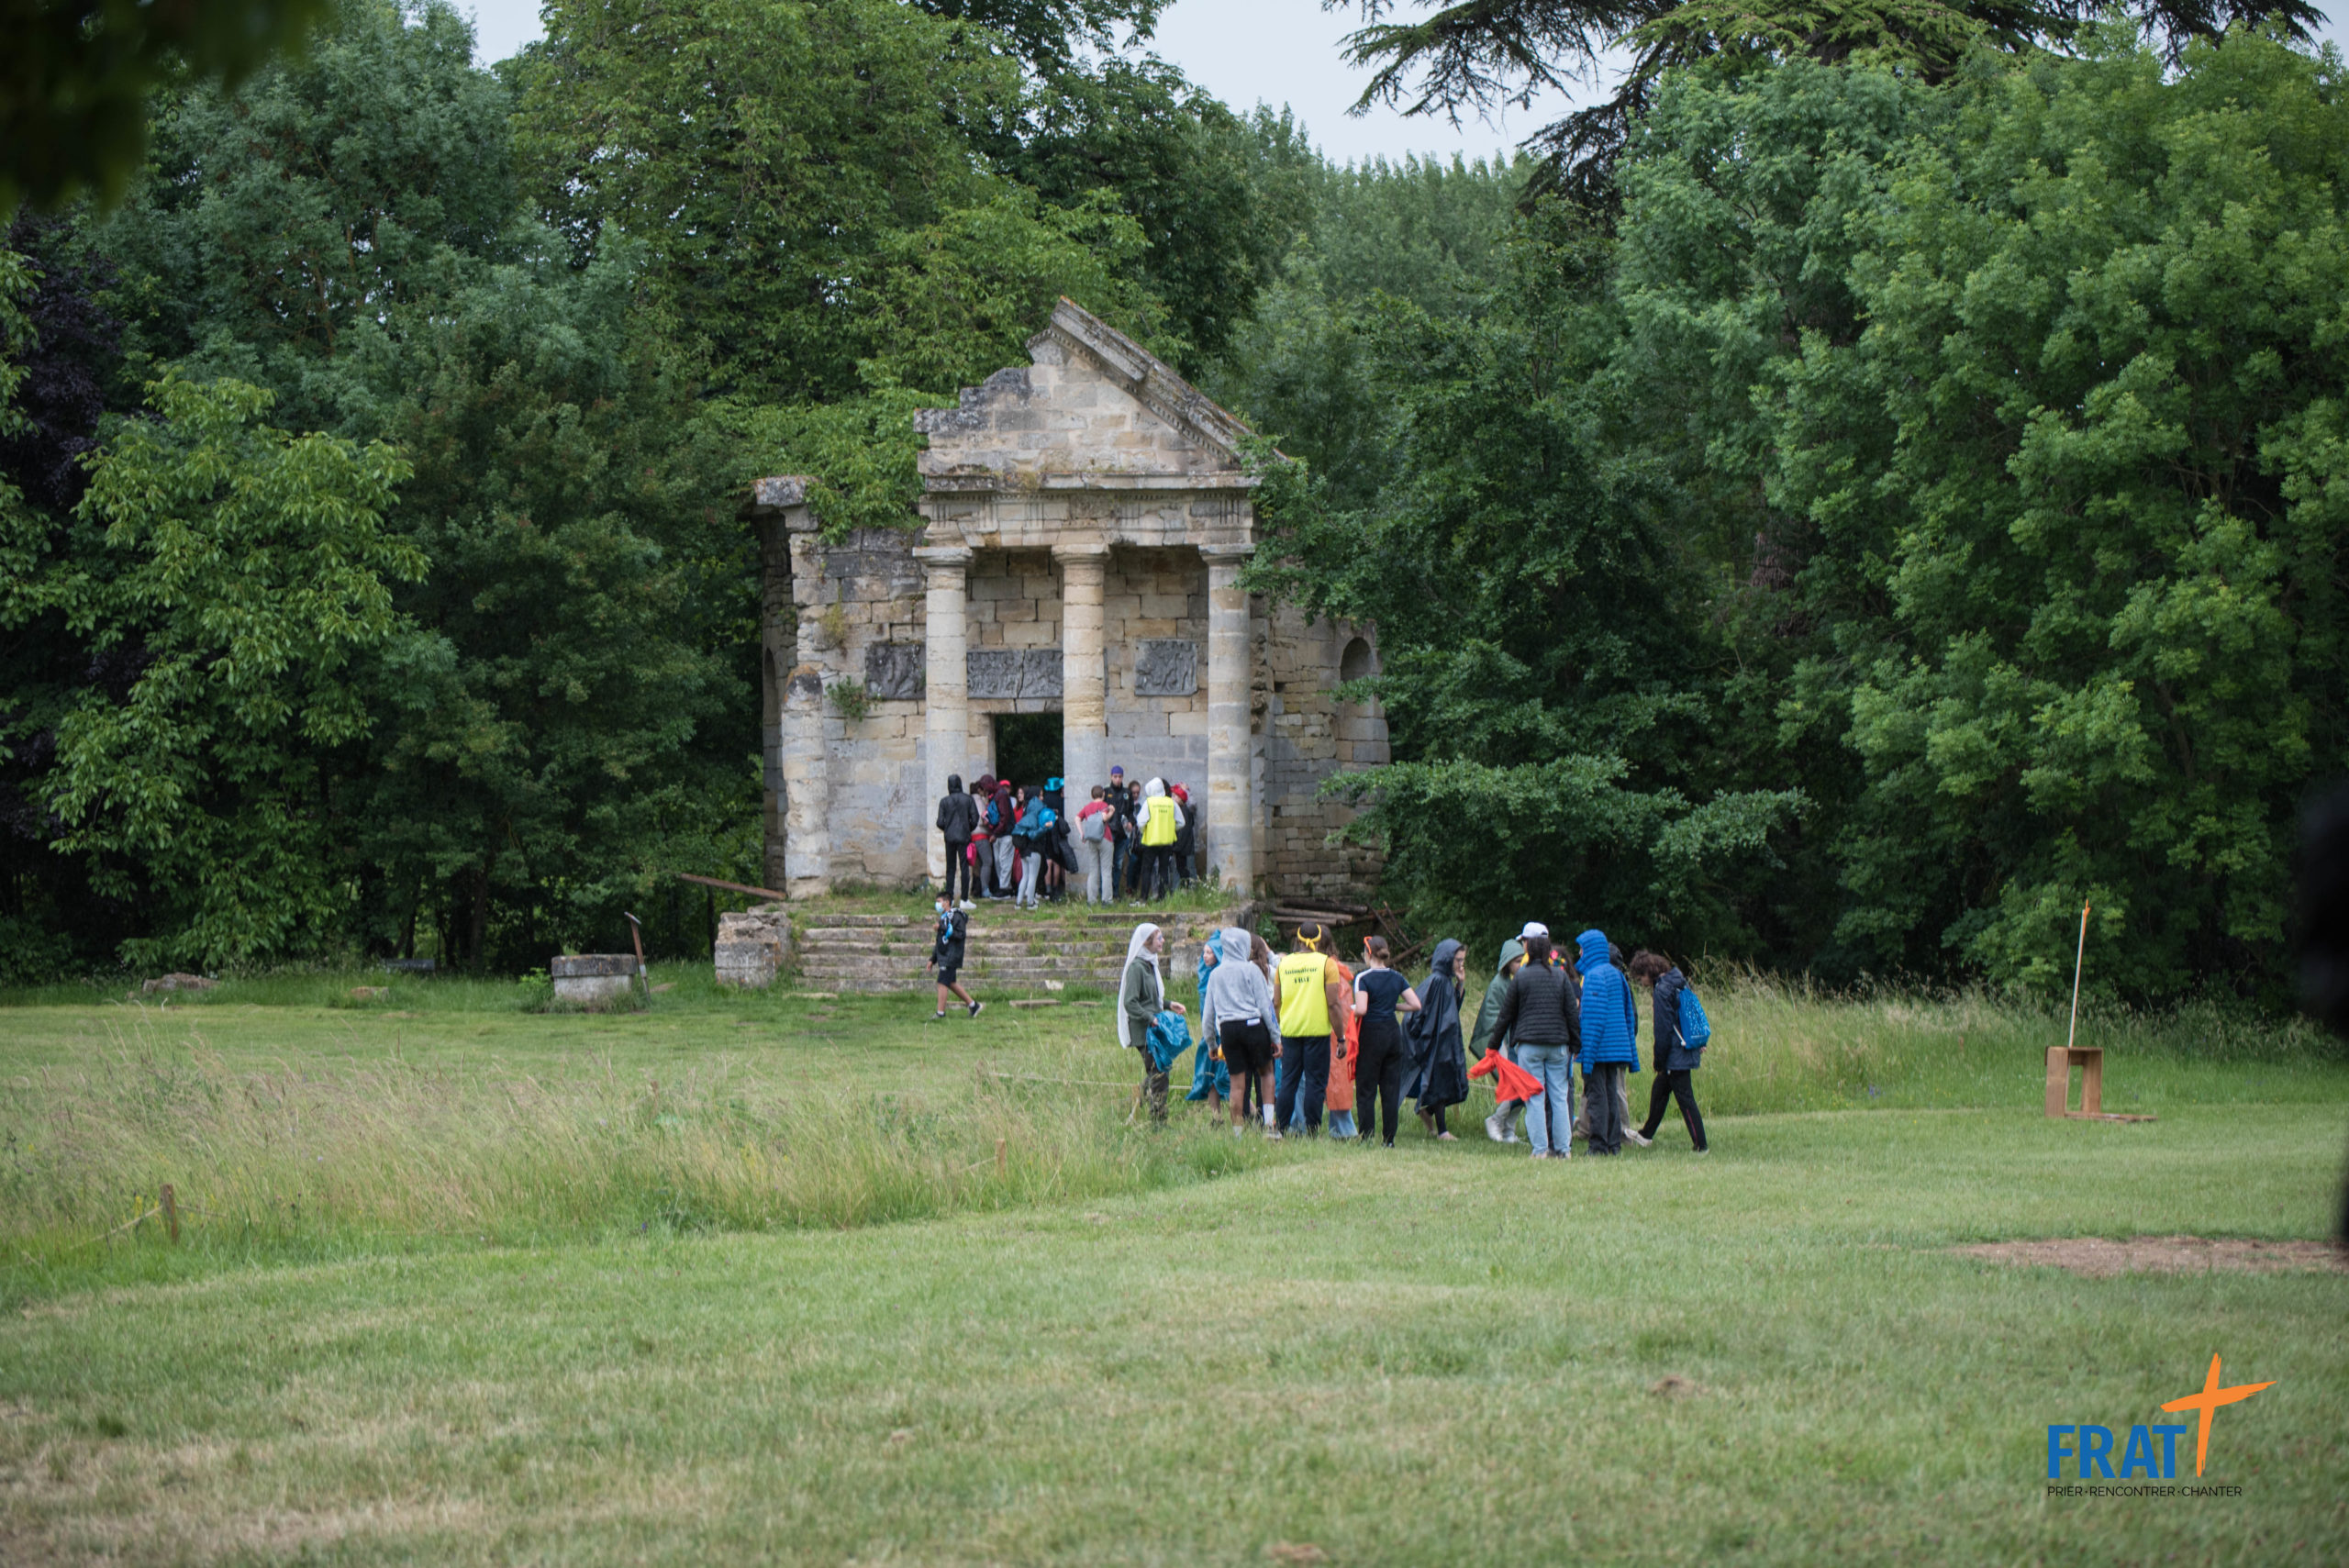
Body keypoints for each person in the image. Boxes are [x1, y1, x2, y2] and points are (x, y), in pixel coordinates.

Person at [1489, 926, 1579, 1158]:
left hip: (1529, 1045)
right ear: (1549, 952)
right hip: (1558, 1045)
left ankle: (1540, 1150)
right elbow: (1571, 1013)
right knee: (1559, 1097)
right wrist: (1576, 1044)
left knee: (1535, 1099)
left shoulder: (1521, 976)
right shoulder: (1560, 976)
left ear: (1528, 951)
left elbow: (1506, 1015)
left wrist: (1493, 1045)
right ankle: (1564, 1149)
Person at [1273, 922, 1349, 1137]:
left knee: (1288, 1082)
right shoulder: (1326, 964)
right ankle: (1312, 1131)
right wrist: (1341, 1037)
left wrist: (1281, 1026)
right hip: (1317, 1032)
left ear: (1298, 940)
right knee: (1315, 1083)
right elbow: (1333, 1004)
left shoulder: (1284, 964)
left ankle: (1281, 1128)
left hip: (1290, 1031)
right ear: (1318, 940)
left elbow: (1276, 1002)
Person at [1202, 926, 1280, 1136]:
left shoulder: (1216, 974)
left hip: (1228, 1029)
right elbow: (1266, 1006)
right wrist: (1276, 1036)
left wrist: (1211, 1042)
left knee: (1237, 1084)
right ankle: (1268, 1125)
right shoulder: (1251, 970)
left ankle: (1237, 1134)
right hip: (1254, 1025)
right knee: (1266, 1073)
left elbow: (1208, 1014)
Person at [1631, 951, 1709, 1152]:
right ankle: (1646, 1135)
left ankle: (1701, 1145)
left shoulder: (1662, 990)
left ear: (1648, 972)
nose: (1642, 983)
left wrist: (1659, 1059)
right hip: (1687, 1045)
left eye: (1640, 978)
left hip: (1676, 1053)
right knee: (1660, 1090)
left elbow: (1663, 1030)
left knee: (1685, 1099)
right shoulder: (1679, 981)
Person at [1349, 934, 1420, 1147]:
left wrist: (1348, 1009)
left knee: (1366, 1088)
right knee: (1390, 1090)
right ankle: (1389, 1140)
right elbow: (1416, 1004)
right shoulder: (1397, 977)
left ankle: (1367, 1137)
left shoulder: (1363, 978)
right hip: (1392, 1034)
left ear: (1368, 954)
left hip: (1371, 1035)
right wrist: (1393, 1006)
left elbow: (1362, 1009)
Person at [1575, 928, 1641, 1155]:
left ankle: (1598, 1145)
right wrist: (1630, 1050)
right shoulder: (1617, 975)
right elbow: (1628, 1014)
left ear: (1591, 949)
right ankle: (1613, 1144)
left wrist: (1586, 1053)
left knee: (1597, 1097)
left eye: (1582, 949)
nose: (1580, 953)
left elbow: (1593, 1018)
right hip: (1617, 1048)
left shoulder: (1593, 976)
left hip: (1599, 1048)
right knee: (1611, 1095)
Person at [1404, 940, 1470, 1139]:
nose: (1461, 965)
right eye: (1458, 960)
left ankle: (1429, 1113)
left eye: (1463, 960)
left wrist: (1460, 983)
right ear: (1447, 958)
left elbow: (1451, 1010)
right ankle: (1442, 1131)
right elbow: (1418, 1012)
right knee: (1440, 1082)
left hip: (1446, 1041)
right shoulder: (1437, 982)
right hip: (1436, 1043)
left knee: (1451, 1081)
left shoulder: (1445, 981)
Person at [1118, 922, 1183, 1124]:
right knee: (1159, 1072)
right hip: (1143, 1030)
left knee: (1160, 1069)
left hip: (1154, 1027)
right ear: (1147, 942)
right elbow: (1131, 1002)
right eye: (1159, 937)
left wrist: (1169, 1005)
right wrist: (1150, 1017)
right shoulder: (1136, 968)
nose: (1163, 941)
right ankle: (1157, 1120)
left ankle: (1136, 1100)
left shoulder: (1150, 965)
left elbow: (1151, 999)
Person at [1472, 936, 1527, 1143]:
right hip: (1499, 1040)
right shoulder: (1499, 984)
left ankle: (1508, 1130)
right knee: (1515, 1084)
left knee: (1523, 1086)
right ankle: (1495, 1120)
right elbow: (1494, 1017)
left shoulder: (1516, 980)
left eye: (1522, 960)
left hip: (1514, 1039)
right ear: (1507, 963)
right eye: (1516, 961)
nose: (1520, 964)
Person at [1188, 929, 1233, 1112]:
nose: (1205, 956)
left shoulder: (1223, 977)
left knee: (1228, 1078)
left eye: (1210, 952)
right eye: (1204, 952)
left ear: (1219, 954)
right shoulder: (1204, 979)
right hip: (1209, 1037)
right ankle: (1216, 1117)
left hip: (1224, 1034)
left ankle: (1250, 1114)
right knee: (1209, 1076)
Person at [927, 899, 982, 1020]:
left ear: (947, 902)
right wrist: (933, 959)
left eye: (939, 901)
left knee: (942, 981)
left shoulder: (957, 916)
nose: (937, 904)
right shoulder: (943, 918)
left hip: (951, 955)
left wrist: (942, 927)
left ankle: (940, 1013)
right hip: (945, 955)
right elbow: (939, 941)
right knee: (950, 983)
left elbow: (960, 935)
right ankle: (973, 1005)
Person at [934, 774, 977, 903]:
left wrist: (948, 829)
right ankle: (964, 899)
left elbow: (939, 822)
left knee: (950, 868)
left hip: (950, 838)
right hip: (964, 837)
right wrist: (967, 829)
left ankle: (949, 899)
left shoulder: (944, 801)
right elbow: (975, 819)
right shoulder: (968, 799)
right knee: (964, 868)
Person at [1138, 777, 1181, 902]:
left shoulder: (1149, 803)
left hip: (1151, 841)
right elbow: (1181, 822)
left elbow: (1140, 822)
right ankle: (1162, 898)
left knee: (1147, 870)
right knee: (1164, 870)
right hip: (1167, 842)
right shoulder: (1171, 803)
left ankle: (1143, 898)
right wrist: (1171, 829)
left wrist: (1145, 831)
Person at [1011, 789, 1053, 909]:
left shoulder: (1027, 814)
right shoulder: (1037, 816)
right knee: (1032, 877)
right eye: (1040, 796)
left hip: (1023, 850)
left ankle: (1018, 903)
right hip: (1034, 850)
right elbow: (1033, 835)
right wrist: (1044, 827)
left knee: (1025, 877)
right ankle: (1030, 903)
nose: (1042, 799)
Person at [1075, 785, 1114, 903]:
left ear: (1092, 795)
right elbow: (1104, 818)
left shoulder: (1087, 807)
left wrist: (1082, 833)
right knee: (1106, 871)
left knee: (1093, 871)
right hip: (1105, 838)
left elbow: (1077, 818)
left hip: (1091, 840)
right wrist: (1112, 811)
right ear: (1103, 794)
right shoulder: (1104, 805)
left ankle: (1091, 900)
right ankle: (1106, 900)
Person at [990, 778, 1019, 898]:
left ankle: (1004, 888)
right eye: (1003, 787)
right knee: (999, 860)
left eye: (1007, 787)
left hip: (1005, 833)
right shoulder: (997, 797)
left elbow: (1005, 817)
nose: (1005, 789)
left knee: (1004, 860)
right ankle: (1005, 886)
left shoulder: (1001, 797)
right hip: (999, 833)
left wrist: (995, 833)